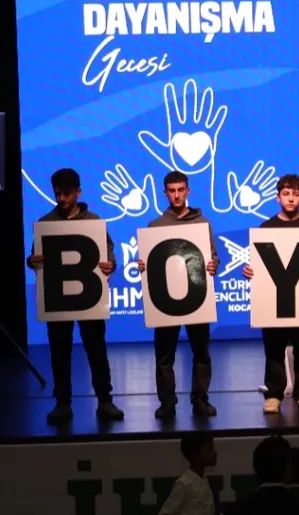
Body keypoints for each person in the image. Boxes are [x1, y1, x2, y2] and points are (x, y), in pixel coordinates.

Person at [26, 168, 124, 425]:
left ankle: (105, 400)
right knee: (60, 351)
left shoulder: (93, 221)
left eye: (66, 194)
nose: (61, 199)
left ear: (78, 192)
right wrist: (32, 261)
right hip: (58, 298)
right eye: (57, 194)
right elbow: (36, 256)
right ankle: (63, 403)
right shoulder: (46, 223)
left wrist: (110, 264)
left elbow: (108, 250)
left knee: (96, 349)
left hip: (89, 297)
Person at [241, 174, 299, 413]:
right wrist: (250, 271)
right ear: (278, 197)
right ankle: (274, 394)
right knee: (273, 349)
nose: (291, 199)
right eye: (286, 194)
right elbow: (258, 264)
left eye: (296, 194)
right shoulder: (266, 227)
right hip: (274, 300)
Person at [135, 171, 219, 419]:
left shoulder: (202, 223)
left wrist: (213, 264)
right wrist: (143, 265)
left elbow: (213, 257)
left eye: (181, 190)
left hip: (197, 295)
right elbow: (150, 261)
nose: (176, 195)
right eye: (172, 191)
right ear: (165, 193)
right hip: (165, 299)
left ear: (188, 191)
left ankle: (200, 399)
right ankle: (167, 402)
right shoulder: (155, 226)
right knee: (164, 355)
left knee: (201, 352)